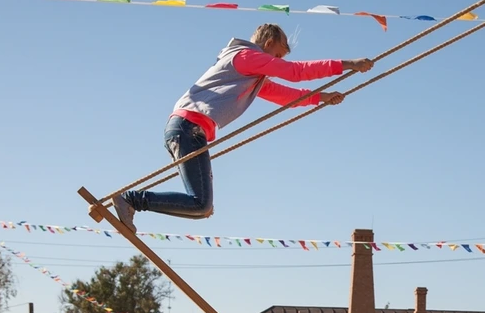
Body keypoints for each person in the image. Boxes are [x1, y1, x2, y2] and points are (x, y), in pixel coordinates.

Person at [113, 23, 374, 231]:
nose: (278, 62)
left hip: (189, 128)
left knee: (201, 207)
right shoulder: (246, 56)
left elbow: (286, 95)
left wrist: (321, 98)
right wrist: (347, 64)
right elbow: (295, 71)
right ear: (268, 44)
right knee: (199, 205)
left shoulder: (250, 74)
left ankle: (132, 201)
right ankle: (131, 200)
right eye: (279, 55)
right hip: (188, 127)